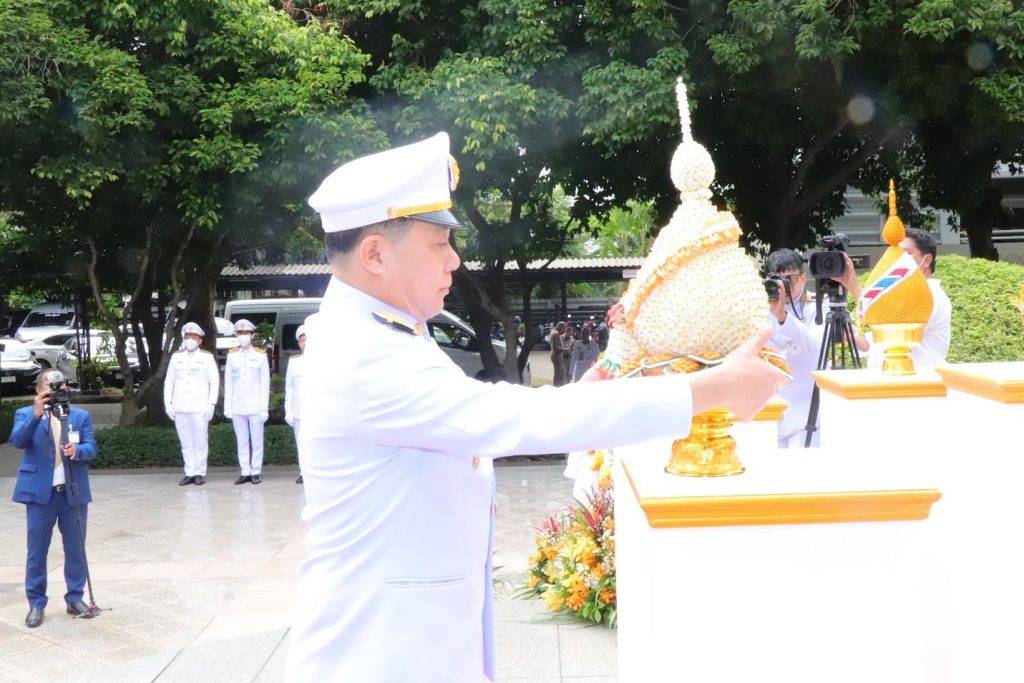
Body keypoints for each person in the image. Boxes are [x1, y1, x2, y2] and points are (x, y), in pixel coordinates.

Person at [286, 132, 787, 681]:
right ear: (376, 254)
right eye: (438, 244)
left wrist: (600, 380)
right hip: (377, 652)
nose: (455, 260)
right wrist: (711, 390)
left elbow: (489, 412)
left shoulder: (382, 329)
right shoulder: (365, 355)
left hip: (407, 641)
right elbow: (516, 421)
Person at [8, 369, 98, 628]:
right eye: (49, 386)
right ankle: (36, 603)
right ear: (38, 390)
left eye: (60, 386)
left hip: (73, 493)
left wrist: (78, 450)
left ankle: (74, 598)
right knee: (37, 551)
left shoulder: (79, 416)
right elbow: (18, 441)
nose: (55, 391)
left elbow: (91, 447)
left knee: (76, 549)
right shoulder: (25, 414)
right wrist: (37, 414)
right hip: (40, 495)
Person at [833, 229, 952, 370]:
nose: (897, 260)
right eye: (895, 254)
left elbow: (895, 327)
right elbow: (875, 345)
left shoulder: (932, 293)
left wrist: (855, 287)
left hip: (918, 385)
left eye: (906, 254)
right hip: (886, 384)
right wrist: (852, 336)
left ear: (926, 260)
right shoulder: (895, 296)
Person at [765, 249, 825, 448]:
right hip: (770, 410)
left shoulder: (817, 306)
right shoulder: (760, 309)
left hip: (805, 410)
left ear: (802, 278)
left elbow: (814, 345)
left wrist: (783, 316)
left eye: (789, 279)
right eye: (777, 279)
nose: (783, 286)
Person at [164, 322, 219, 486]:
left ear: (200, 340)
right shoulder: (176, 357)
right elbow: (169, 382)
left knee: (201, 441)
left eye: (193, 337)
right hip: (180, 406)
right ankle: (190, 471)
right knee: (186, 442)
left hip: (199, 407)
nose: (190, 339)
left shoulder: (207, 358)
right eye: (187, 337)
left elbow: (214, 382)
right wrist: (168, 403)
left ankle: (200, 472)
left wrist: (211, 404)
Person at [224, 318, 270, 485]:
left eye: (246, 333)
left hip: (255, 405)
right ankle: (245, 471)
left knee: (257, 440)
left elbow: (265, 383)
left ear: (252, 335)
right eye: (240, 333)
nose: (243, 336)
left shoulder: (260, 355)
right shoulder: (232, 355)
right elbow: (228, 381)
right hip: (237, 404)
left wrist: (264, 408)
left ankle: (256, 471)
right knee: (241, 441)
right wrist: (227, 406)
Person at [285, 324, 307, 485]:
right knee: (301, 444)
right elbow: (289, 389)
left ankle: (315, 473)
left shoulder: (323, 362)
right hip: (299, 410)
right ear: (298, 344)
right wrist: (288, 411)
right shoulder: (294, 362)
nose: (305, 343)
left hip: (317, 412)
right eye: (302, 341)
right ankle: (303, 472)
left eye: (307, 340)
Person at [548, 321, 570, 386]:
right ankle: (556, 386)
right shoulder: (555, 334)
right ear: (560, 327)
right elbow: (556, 347)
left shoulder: (552, 332)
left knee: (561, 372)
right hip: (556, 356)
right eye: (563, 329)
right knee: (558, 373)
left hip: (555, 355)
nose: (563, 331)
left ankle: (559, 385)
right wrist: (565, 349)